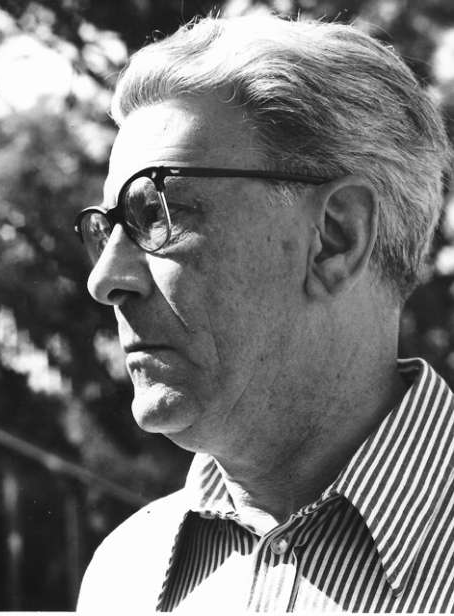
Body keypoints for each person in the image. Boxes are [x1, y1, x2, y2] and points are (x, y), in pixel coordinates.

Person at [74, 13, 453, 612]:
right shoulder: (123, 574)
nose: (105, 280)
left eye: (160, 213)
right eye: (106, 229)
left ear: (336, 238)